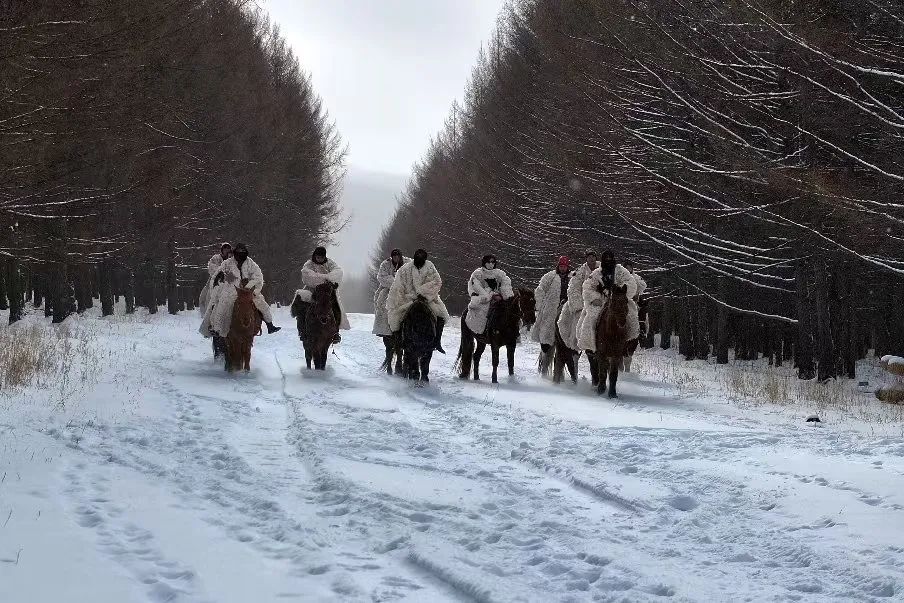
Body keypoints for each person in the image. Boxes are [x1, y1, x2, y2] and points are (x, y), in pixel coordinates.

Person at [200, 243, 281, 338]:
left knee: (261, 303)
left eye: (242, 253)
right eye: (238, 253)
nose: (240, 255)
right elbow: (216, 276)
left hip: (248, 290)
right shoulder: (226, 263)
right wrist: (227, 280)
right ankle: (217, 329)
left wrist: (250, 286)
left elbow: (258, 277)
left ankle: (269, 324)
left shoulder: (250, 263)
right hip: (231, 289)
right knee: (223, 304)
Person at [386, 248, 451, 353]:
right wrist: (400, 299)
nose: (420, 258)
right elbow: (398, 286)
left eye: (422, 257)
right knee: (396, 317)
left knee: (441, 315)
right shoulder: (405, 269)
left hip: (428, 300)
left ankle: (437, 341)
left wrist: (424, 294)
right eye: (418, 256)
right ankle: (399, 342)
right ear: (415, 257)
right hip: (408, 300)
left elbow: (437, 282)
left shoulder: (430, 267)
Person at [576, 250, 636, 354]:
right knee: (590, 318)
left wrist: (620, 292)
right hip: (601, 303)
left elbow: (631, 283)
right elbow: (587, 287)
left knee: (632, 316)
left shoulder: (621, 270)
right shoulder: (597, 273)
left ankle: (630, 343)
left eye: (610, 258)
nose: (608, 260)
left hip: (619, 301)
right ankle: (590, 345)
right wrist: (595, 298)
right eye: (606, 258)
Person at [301, 246, 350, 344]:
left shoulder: (330, 263)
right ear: (315, 256)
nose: (320, 259)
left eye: (322, 257)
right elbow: (308, 276)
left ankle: (336, 332)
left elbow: (338, 272)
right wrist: (326, 278)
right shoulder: (308, 264)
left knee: (336, 307)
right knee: (301, 304)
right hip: (312, 289)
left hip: (328, 290)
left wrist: (330, 281)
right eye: (318, 257)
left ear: (324, 257)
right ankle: (303, 330)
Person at [532, 256, 572, 373]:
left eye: (564, 266)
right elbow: (540, 290)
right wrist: (540, 305)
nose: (563, 268)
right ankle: (544, 367)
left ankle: (560, 369)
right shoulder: (550, 276)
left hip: (566, 309)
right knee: (547, 339)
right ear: (558, 266)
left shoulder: (572, 277)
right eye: (561, 266)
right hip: (550, 310)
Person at [556, 250, 598, 352]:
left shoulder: (602, 270)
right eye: (589, 257)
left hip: (599, 302)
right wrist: (579, 305)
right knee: (570, 320)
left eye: (593, 256)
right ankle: (575, 343)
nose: (591, 259)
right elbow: (573, 289)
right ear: (586, 259)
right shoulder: (580, 272)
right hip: (582, 303)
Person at [465, 254, 514, 336]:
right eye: (489, 262)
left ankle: (513, 332)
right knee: (482, 311)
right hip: (483, 298)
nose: (491, 264)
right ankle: (482, 331)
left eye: (493, 262)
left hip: (499, 297)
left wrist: (507, 297)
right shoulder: (478, 274)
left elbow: (506, 286)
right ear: (484, 263)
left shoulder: (500, 274)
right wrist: (489, 295)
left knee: (511, 311)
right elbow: (475, 287)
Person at [372, 249, 409, 338]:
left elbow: (412, 274)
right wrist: (396, 283)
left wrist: (403, 284)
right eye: (394, 256)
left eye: (397, 256)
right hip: (388, 289)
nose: (396, 258)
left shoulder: (408, 263)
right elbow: (381, 277)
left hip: (405, 289)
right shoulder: (385, 264)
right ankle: (383, 329)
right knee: (382, 304)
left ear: (400, 256)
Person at [623, 261, 648, 372]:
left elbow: (643, 286)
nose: (628, 269)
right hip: (622, 300)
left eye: (629, 267)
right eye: (626, 267)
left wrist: (634, 281)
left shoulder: (636, 277)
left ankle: (642, 330)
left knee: (643, 309)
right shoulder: (620, 277)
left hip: (634, 300)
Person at [199, 243, 231, 314]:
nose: (226, 251)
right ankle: (208, 313)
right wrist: (221, 271)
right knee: (206, 296)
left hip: (229, 281)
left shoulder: (232, 260)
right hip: (216, 279)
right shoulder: (216, 258)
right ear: (222, 250)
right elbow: (211, 267)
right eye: (225, 249)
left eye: (228, 250)